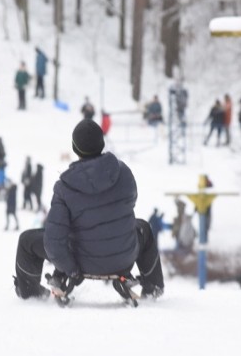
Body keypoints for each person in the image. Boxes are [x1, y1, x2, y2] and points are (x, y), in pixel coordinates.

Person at [13, 119, 165, 300]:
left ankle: (30, 293)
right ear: (102, 143)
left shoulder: (65, 187)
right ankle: (153, 287)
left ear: (75, 148)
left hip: (80, 260)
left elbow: (54, 242)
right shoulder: (123, 173)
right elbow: (128, 205)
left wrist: (70, 269)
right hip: (123, 257)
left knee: (27, 240)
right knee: (144, 227)